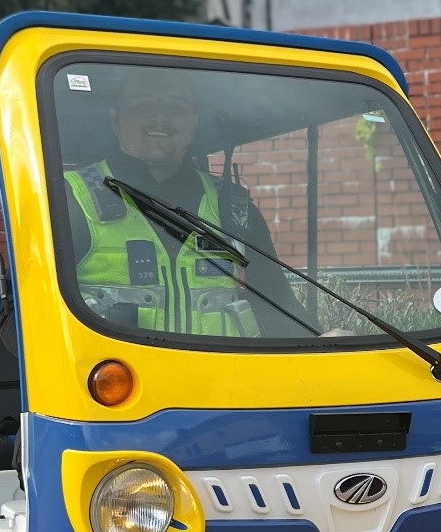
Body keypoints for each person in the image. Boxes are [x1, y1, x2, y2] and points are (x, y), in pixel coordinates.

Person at [64, 68, 308, 339]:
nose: (160, 118)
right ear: (116, 120)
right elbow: (32, 317)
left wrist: (319, 342)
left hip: (219, 368)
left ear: (193, 122)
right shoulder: (70, 199)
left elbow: (278, 306)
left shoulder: (233, 206)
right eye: (143, 105)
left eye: (176, 107)